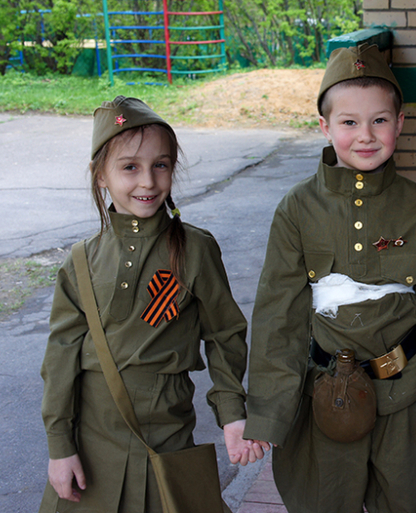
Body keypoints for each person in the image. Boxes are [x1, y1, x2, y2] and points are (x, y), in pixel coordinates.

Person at [243, 44, 416, 513]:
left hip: (404, 398)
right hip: (324, 399)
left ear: (400, 122)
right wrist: (269, 414)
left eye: (379, 120)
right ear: (324, 126)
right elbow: (278, 319)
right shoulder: (297, 209)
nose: (365, 135)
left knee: (403, 502)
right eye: (348, 122)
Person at [39, 96, 266, 512]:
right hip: (90, 443)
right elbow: (60, 356)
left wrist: (232, 413)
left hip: (166, 436)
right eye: (130, 167)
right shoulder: (81, 262)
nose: (147, 181)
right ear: (100, 175)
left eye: (160, 165)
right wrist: (59, 446)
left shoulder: (195, 249)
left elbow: (224, 334)